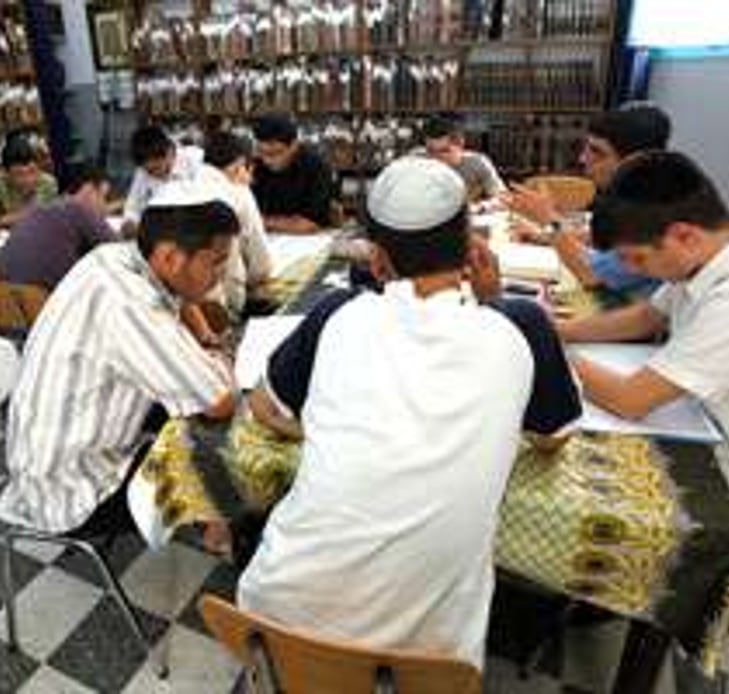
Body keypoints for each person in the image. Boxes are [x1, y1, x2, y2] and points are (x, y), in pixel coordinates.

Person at [237, 157, 582, 668]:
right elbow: (552, 439)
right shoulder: (521, 325)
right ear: (471, 251)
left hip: (272, 629)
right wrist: (493, 303)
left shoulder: (338, 315)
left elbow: (263, 408)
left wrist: (334, 430)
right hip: (428, 665)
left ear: (376, 262)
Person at [557, 151, 729, 556]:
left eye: (638, 259)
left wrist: (547, 348)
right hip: (707, 429)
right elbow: (646, 317)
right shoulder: (720, 251)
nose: (637, 270)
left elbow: (631, 400)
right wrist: (558, 329)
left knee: (549, 481)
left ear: (684, 234)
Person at [0, 185, 239, 537]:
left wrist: (203, 338)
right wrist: (223, 357)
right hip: (73, 493)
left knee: (187, 410)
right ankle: (227, 532)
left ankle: (215, 517)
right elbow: (217, 401)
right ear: (171, 257)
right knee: (240, 437)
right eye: (215, 262)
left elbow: (181, 299)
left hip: (45, 459)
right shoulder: (129, 304)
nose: (219, 273)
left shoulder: (115, 257)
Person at [506, 104, 671, 296]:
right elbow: (603, 241)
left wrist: (549, 220)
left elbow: (591, 274)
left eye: (597, 152)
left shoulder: (655, 212)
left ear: (634, 160)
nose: (583, 159)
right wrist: (542, 235)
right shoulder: (636, 195)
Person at [0, 163, 118, 290]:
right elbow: (118, 250)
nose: (105, 208)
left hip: (5, 302)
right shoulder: (80, 210)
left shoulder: (40, 210)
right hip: (45, 304)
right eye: (104, 197)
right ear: (88, 189)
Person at [192, 130, 273, 318]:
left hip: (183, 302)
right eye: (247, 168)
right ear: (239, 165)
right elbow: (261, 266)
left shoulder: (183, 185)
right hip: (224, 304)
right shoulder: (239, 192)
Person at [250, 114, 337, 234]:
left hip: (309, 240)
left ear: (294, 145)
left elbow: (310, 224)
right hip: (268, 238)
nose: (267, 160)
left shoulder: (316, 167)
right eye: (262, 152)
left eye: (275, 153)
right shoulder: (254, 165)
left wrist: (262, 221)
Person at [122, 125, 203, 236]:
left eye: (157, 168)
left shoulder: (196, 160)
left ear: (169, 152)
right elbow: (133, 206)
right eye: (149, 171)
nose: (154, 175)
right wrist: (129, 222)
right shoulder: (142, 171)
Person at [413, 114, 507, 203]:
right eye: (431, 151)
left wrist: (481, 207)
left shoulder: (478, 163)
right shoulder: (416, 161)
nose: (436, 157)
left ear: (460, 145)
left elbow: (503, 198)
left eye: (444, 151)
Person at [0, 133, 59, 229]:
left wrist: (2, 220)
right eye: (19, 174)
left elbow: (46, 217)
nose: (28, 179)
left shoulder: (48, 183)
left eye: (32, 171)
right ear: (5, 173)